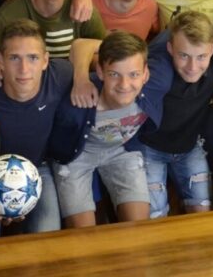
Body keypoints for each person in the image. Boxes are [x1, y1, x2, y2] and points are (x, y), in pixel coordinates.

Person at [135, 10, 213, 218]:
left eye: (201, 57)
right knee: (154, 214)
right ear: (170, 48)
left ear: (212, 50)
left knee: (202, 211)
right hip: (149, 147)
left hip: (189, 147)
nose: (192, 67)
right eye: (184, 56)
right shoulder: (155, 72)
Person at [50, 31, 172, 228]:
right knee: (82, 233)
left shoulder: (158, 82)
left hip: (122, 151)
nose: (124, 85)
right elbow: (80, 44)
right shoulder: (77, 99)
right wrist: (81, 78)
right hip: (76, 157)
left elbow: (174, 33)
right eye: (114, 74)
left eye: (134, 74)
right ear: (100, 72)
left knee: (139, 227)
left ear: (146, 74)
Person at [0, 19, 72, 240]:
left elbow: (84, 47)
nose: (24, 69)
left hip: (37, 170)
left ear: (45, 60)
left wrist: (82, 78)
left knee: (48, 235)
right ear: (0, 60)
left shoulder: (59, 76)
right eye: (14, 58)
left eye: (33, 58)